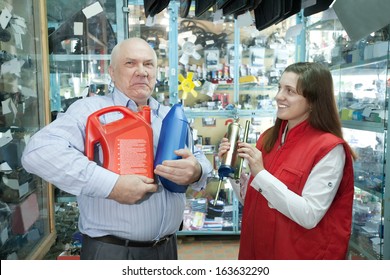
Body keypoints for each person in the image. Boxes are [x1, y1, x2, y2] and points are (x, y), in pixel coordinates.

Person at [22, 38, 213, 260]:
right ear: (112, 72)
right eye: (130, 63)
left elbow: (198, 156)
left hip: (167, 249)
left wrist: (197, 169)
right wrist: (111, 185)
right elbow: (39, 152)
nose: (142, 72)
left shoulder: (169, 115)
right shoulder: (89, 110)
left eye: (148, 64)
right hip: (112, 252)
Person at [219, 62, 356, 260]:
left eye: (289, 91)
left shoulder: (329, 149)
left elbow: (309, 215)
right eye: (279, 88)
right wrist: (233, 169)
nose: (278, 96)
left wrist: (261, 173)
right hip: (257, 251)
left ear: (312, 100)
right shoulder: (268, 137)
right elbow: (254, 199)